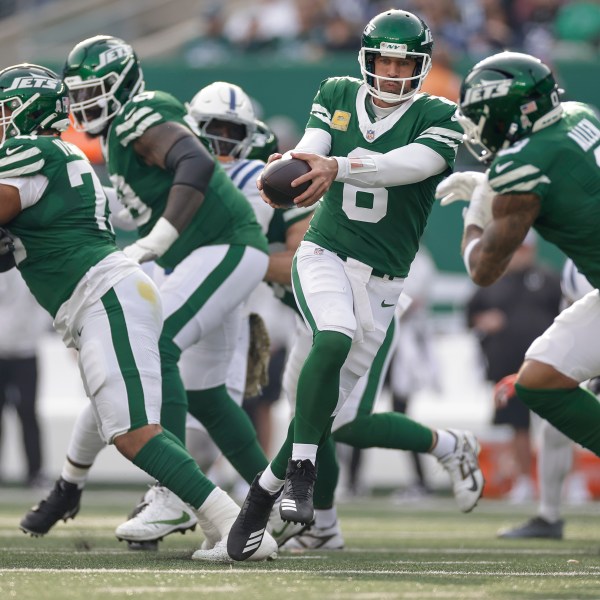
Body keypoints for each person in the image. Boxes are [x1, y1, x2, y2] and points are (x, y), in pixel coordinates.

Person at [227, 9, 481, 562]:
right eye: (383, 60)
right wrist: (296, 165)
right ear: (367, 59)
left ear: (421, 66)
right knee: (332, 344)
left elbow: (402, 166)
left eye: (403, 62)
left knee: (324, 415)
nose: (391, 72)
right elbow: (315, 146)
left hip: (383, 283)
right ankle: (303, 490)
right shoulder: (339, 90)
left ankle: (278, 498)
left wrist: (335, 166)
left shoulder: (438, 112)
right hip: (323, 254)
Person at [0, 62, 276, 562]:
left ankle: (239, 524)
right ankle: (229, 523)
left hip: (106, 297)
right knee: (127, 427)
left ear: (26, 112)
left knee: (133, 434)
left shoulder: (33, 150)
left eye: (3, 112)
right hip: (105, 299)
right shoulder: (58, 156)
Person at [436, 51, 600, 493]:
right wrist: (496, 183)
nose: (477, 128)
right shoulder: (578, 114)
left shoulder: (520, 164)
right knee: (541, 378)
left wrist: (477, 210)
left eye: (481, 116)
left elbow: (482, 269)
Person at [497, 258, 594, 539]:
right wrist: (528, 374)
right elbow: (568, 338)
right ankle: (548, 516)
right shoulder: (576, 275)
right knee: (554, 430)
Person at [466, 232, 562, 503]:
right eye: (515, 248)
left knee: (558, 424)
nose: (520, 253)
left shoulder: (549, 279)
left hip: (548, 366)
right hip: (508, 367)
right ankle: (523, 480)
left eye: (524, 248)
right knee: (517, 426)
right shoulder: (490, 281)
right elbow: (470, 316)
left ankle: (567, 481)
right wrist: (483, 320)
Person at [0, 268, 51, 486]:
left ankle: (35, 473)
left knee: (28, 412)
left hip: (26, 353)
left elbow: (44, 304)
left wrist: (32, 332)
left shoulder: (28, 268)